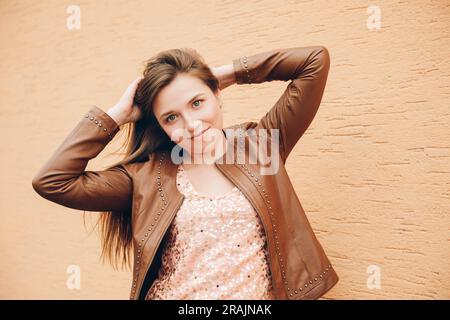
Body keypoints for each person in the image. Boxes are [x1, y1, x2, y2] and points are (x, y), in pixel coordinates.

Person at [32, 45, 338, 300]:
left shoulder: (262, 146)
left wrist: (225, 74)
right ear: (161, 126)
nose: (191, 125)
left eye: (197, 102)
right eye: (171, 117)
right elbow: (53, 181)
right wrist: (117, 115)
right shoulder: (146, 177)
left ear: (217, 95)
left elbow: (314, 62)